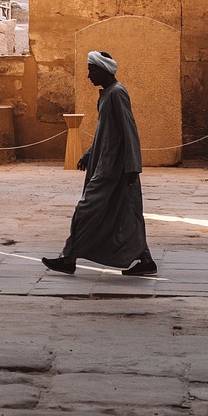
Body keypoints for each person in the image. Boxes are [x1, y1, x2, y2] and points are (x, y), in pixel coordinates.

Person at [42, 51, 158, 277]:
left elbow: (129, 130)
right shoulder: (106, 95)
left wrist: (133, 166)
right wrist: (89, 153)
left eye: (91, 70)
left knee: (85, 210)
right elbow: (105, 132)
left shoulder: (117, 94)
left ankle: (69, 257)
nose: (88, 75)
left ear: (103, 70)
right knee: (126, 212)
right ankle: (145, 259)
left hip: (114, 169)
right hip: (105, 164)